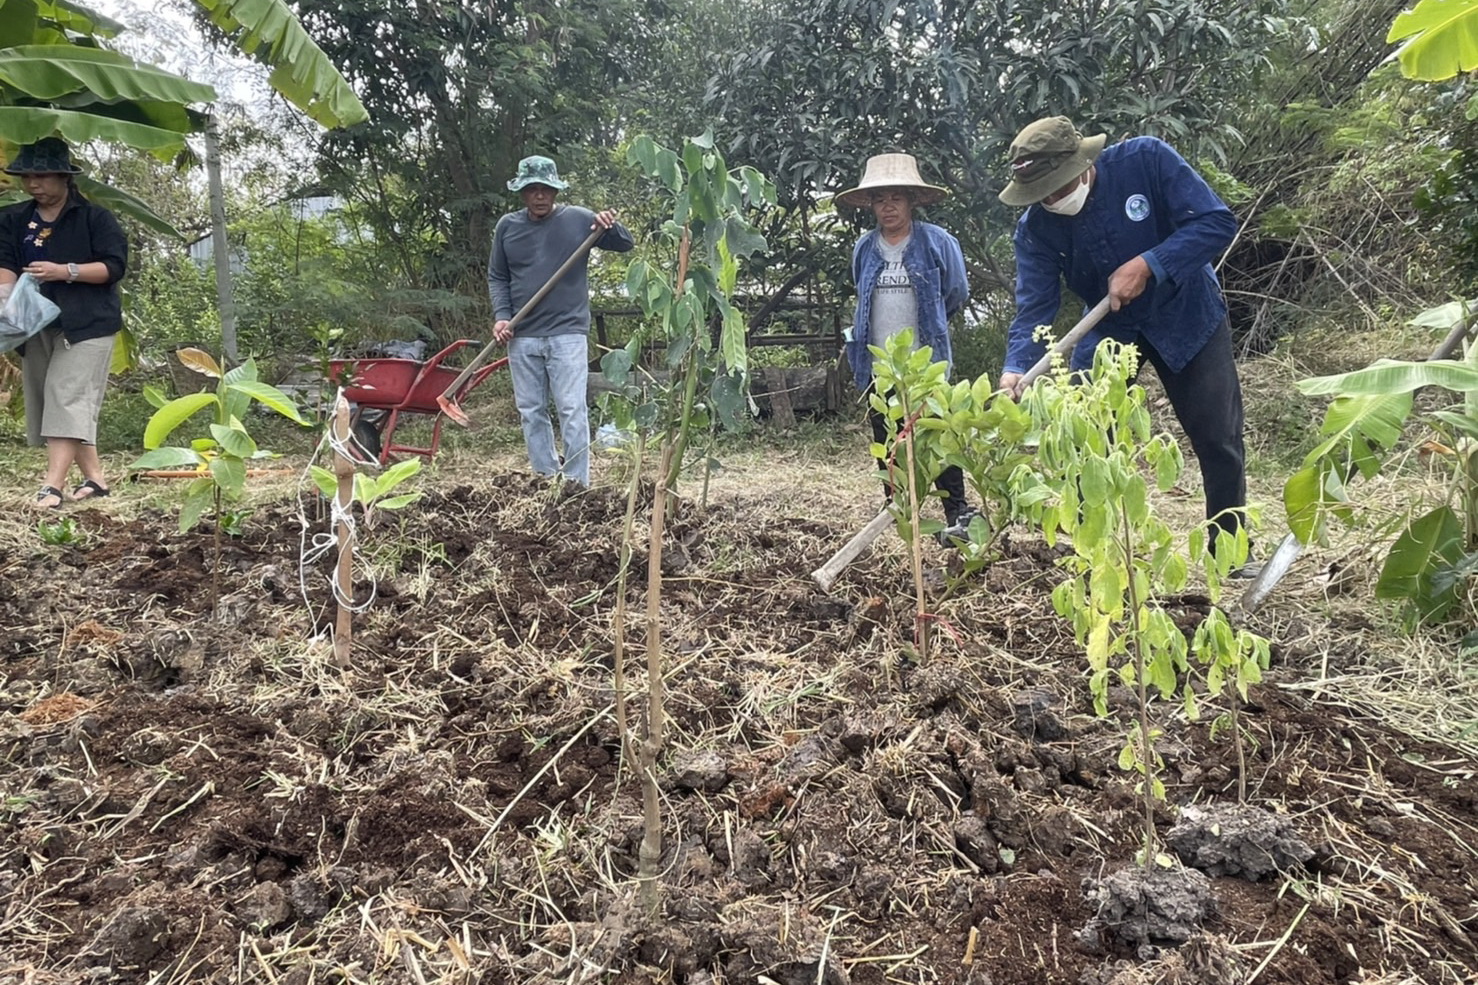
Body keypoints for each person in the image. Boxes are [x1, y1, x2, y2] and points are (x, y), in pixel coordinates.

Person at [996, 117, 1247, 549]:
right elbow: (1035, 307)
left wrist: (1150, 264)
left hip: (1187, 313)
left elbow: (1216, 223)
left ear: (1082, 163)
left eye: (1057, 186)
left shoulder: (1145, 161)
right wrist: (1016, 367)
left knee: (1217, 435)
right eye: (1041, 195)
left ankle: (1228, 547)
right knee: (1084, 436)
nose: (1052, 199)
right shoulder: (1035, 229)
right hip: (1108, 329)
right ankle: (1092, 547)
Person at [837, 152, 977, 541]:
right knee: (887, 441)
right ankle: (899, 512)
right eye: (880, 199)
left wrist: (929, 334)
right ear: (870, 205)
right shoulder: (865, 249)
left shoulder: (936, 243)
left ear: (912, 201)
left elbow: (955, 292)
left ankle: (957, 515)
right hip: (879, 366)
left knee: (938, 437)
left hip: (925, 364)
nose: (888, 207)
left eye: (896, 198)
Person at [488, 155, 633, 487]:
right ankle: (544, 478)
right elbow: (498, 277)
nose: (539, 196)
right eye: (532, 189)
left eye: (546, 189)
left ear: (555, 191)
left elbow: (625, 244)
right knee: (531, 411)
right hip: (522, 335)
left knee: (571, 409)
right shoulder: (507, 228)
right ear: (522, 192)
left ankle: (576, 485)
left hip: (567, 333)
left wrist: (609, 222)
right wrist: (502, 317)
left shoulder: (579, 220)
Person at [0, 137, 128, 510]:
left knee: (65, 394)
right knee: (57, 399)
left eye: (41, 176)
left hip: (87, 323)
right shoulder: (14, 219)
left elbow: (113, 267)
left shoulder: (94, 218)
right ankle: (96, 480)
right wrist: (5, 298)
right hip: (35, 324)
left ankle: (51, 487)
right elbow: (5, 261)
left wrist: (64, 271)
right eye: (26, 176)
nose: (32, 184)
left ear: (64, 177)